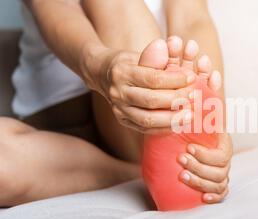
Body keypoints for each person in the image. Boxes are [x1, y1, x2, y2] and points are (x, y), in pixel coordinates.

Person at [0, 0, 232, 207]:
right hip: (57, 127)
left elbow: (192, 19)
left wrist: (212, 124)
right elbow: (56, 5)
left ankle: (165, 161)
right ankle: (145, 175)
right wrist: (101, 68)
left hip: (139, 125)